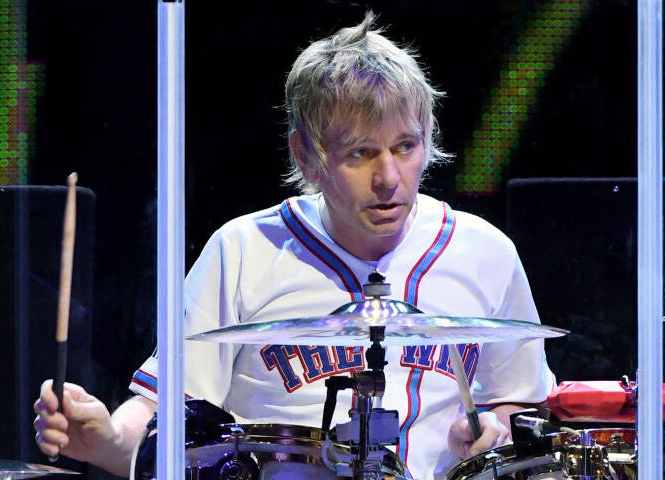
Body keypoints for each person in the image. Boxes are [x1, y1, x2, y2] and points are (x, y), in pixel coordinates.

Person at [33, 13, 555, 480]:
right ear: (306, 156)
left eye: (405, 147)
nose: (389, 178)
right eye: (361, 153)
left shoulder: (486, 253)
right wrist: (104, 440)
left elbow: (523, 406)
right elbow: (165, 416)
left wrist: (496, 431)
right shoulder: (243, 252)